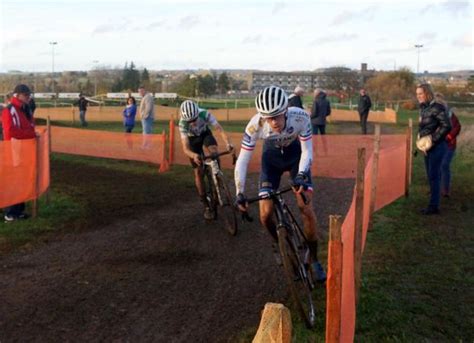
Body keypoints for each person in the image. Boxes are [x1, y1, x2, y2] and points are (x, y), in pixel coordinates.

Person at [234, 85, 326, 282]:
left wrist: (301, 174)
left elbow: (307, 150)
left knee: (306, 208)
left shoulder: (300, 117)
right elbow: (242, 160)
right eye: (268, 118)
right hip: (271, 160)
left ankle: (315, 260)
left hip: (295, 158)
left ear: (286, 110)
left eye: (276, 116)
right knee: (265, 215)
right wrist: (239, 192)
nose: (273, 122)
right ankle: (279, 244)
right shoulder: (255, 125)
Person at [179, 100, 233, 220]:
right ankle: (206, 204)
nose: (192, 123)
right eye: (190, 121)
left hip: (204, 134)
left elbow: (219, 129)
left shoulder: (204, 113)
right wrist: (193, 155)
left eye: (194, 119)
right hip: (192, 141)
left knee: (214, 151)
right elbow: (185, 148)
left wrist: (228, 143)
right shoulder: (183, 124)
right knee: (198, 172)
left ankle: (218, 176)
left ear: (197, 113)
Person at [1, 84, 36, 222]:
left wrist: (31, 132)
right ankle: (10, 213)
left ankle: (18, 211)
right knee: (14, 182)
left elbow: (29, 125)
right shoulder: (10, 110)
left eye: (29, 95)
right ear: (17, 95)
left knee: (21, 181)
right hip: (14, 150)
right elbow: (10, 131)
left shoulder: (23, 109)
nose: (28, 97)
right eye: (26, 95)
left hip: (23, 149)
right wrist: (30, 134)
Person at [416, 84, 451, 215]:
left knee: (434, 176)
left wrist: (432, 141)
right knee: (432, 176)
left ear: (427, 93)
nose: (418, 96)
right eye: (417, 94)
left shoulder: (438, 107)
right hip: (427, 148)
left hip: (437, 147)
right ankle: (433, 203)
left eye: (421, 94)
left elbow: (447, 126)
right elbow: (425, 128)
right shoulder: (424, 108)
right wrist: (421, 141)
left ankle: (434, 206)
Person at [434, 94, 461, 198]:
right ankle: (436, 188)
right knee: (436, 167)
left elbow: (457, 127)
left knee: (444, 165)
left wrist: (449, 136)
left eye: (440, 103)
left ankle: (446, 189)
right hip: (436, 145)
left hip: (449, 145)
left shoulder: (450, 115)